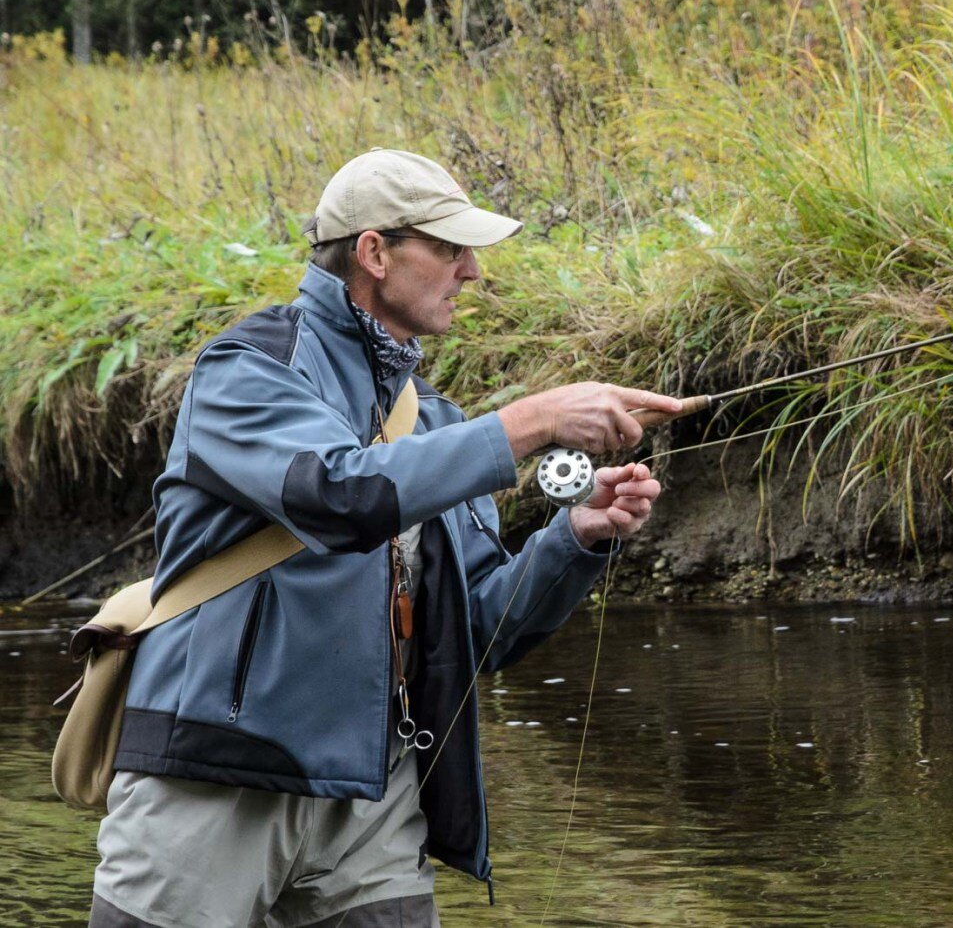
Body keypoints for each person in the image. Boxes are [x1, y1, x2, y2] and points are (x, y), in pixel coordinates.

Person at [88, 148, 680, 927]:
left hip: (370, 790)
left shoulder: (432, 421)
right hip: (214, 779)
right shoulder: (246, 368)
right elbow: (339, 496)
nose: (470, 271)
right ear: (374, 252)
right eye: (449, 247)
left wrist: (574, 540)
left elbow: (476, 632)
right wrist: (528, 420)